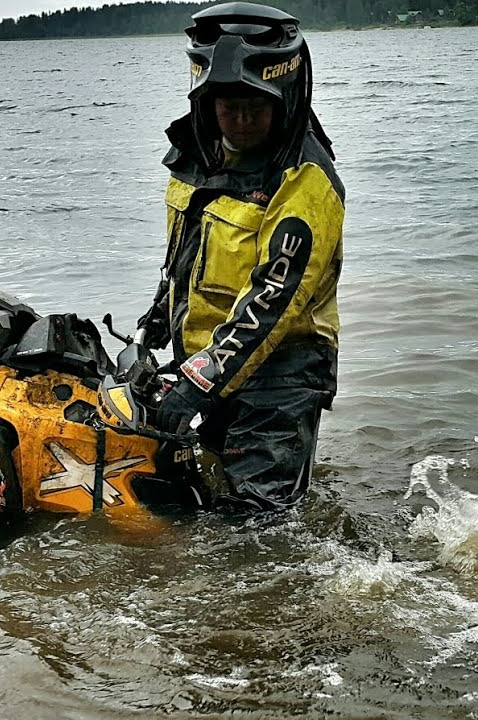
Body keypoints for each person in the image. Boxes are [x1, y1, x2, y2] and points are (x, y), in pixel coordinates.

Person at [136, 2, 346, 513]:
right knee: (202, 500)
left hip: (282, 372)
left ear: (285, 99)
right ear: (205, 102)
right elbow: (187, 253)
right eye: (228, 105)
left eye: (256, 105)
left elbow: (274, 299)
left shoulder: (304, 180)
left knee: (258, 525)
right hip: (210, 362)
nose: (242, 119)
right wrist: (159, 315)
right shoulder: (196, 159)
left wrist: (197, 385)